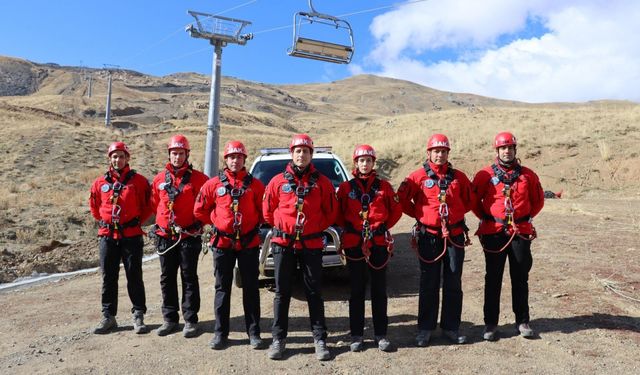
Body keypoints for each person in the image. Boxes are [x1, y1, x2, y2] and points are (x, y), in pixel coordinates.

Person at [262, 134, 338, 361]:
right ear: (291, 153)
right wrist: (284, 227)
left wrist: (312, 228)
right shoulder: (277, 182)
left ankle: (320, 339)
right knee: (282, 293)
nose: (301, 155)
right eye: (298, 151)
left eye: (305, 151)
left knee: (314, 292)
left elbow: (331, 212)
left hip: (312, 244)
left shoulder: (322, 182)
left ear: (311, 154)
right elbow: (267, 212)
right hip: (283, 244)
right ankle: (278, 339)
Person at [397, 134, 473, 346]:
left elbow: (469, 201)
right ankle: (425, 328)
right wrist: (421, 215)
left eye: (443, 151)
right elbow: (402, 200)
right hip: (428, 236)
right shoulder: (417, 176)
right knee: (428, 282)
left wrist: (455, 215)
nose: (440, 155)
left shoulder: (459, 177)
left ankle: (451, 327)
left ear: (448, 153)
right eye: (436, 151)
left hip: (454, 235)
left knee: (453, 281)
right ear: (428, 153)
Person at [471, 131, 544, 341]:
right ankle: (491, 324)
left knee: (520, 277)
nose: (507, 151)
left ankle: (522, 321)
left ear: (515, 150)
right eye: (503, 148)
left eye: (510, 148)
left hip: (520, 233)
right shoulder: (484, 175)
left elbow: (537, 201)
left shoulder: (528, 175)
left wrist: (523, 219)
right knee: (493, 278)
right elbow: (474, 202)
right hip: (494, 233)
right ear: (497, 150)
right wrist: (490, 218)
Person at [193, 140, 265, 350]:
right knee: (222, 289)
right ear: (226, 160)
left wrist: (252, 226)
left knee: (251, 288)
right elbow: (199, 210)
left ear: (244, 160)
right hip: (222, 243)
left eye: (239, 157)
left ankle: (254, 333)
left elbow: (264, 211)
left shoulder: (255, 185)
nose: (235, 160)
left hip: (248, 243)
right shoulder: (213, 184)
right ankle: (220, 334)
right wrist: (216, 223)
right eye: (231, 157)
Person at [336, 144, 403, 352]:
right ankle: (356, 335)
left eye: (368, 160)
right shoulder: (346, 188)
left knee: (379, 290)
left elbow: (396, 211)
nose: (365, 164)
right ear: (355, 163)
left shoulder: (384, 187)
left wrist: (380, 228)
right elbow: (337, 213)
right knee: (356, 290)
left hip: (378, 244)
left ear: (374, 163)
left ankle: (381, 334)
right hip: (354, 244)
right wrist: (350, 230)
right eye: (361, 160)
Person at [89, 141, 152, 334]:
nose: (118, 160)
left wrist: (132, 222)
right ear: (110, 159)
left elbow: (148, 206)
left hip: (131, 235)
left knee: (134, 275)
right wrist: (107, 222)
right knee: (108, 276)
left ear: (127, 158)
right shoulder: (100, 183)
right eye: (114, 156)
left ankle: (138, 314)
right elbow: (95, 207)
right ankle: (108, 316)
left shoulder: (139, 181)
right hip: (108, 236)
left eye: (121, 156)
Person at [150, 135, 208, 338]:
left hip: (189, 236)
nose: (177, 157)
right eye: (174, 153)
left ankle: (191, 320)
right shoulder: (159, 179)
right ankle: (170, 319)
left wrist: (199, 225)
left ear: (187, 154)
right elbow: (154, 203)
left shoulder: (200, 179)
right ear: (169, 154)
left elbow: (208, 205)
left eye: (181, 153)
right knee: (167, 278)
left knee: (189, 277)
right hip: (165, 237)